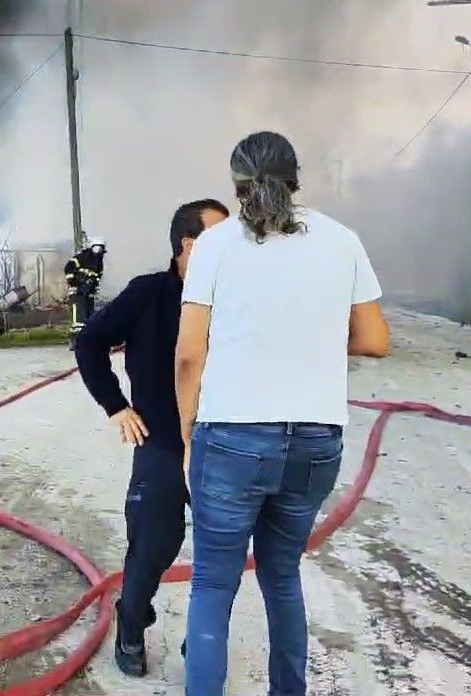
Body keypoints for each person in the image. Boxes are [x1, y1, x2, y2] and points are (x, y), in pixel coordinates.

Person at [175, 132, 389, 695]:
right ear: (296, 178)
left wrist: (186, 435)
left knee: (212, 588)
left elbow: (189, 355)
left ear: (236, 184)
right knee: (283, 577)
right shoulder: (343, 241)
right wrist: (309, 338)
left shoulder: (215, 245)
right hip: (317, 440)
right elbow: (373, 339)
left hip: (232, 439)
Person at [73, 199, 229, 678]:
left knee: (219, 554)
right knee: (153, 546)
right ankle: (131, 622)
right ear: (188, 246)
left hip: (221, 446)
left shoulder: (236, 297)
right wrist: (116, 406)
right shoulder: (148, 295)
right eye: (221, 238)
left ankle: (201, 643)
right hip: (162, 443)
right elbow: (89, 343)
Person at [64, 236, 106, 347]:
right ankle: (74, 340)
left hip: (89, 294)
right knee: (77, 318)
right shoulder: (81, 257)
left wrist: (92, 284)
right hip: (77, 293)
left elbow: (97, 277)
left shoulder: (99, 262)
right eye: (97, 248)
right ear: (91, 247)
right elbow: (68, 268)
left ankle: (87, 340)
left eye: (101, 249)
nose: (99, 251)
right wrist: (74, 282)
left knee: (89, 318)